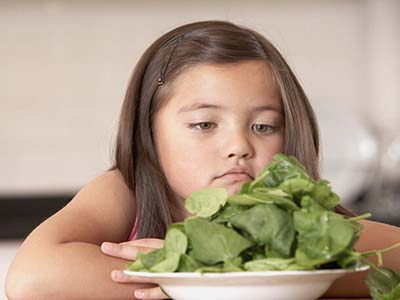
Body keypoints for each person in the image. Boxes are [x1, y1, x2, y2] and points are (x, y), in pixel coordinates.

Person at [5, 20, 400, 300]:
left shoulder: (300, 222)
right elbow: (32, 278)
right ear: (150, 132)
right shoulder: (126, 190)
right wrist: (193, 272)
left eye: (264, 127)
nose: (239, 146)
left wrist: (205, 277)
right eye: (204, 124)